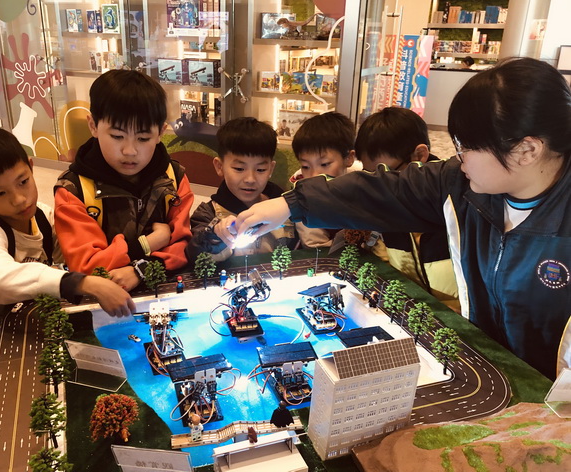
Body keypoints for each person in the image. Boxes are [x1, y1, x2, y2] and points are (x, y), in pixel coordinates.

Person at [235, 57, 571, 381]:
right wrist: (290, 204)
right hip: (492, 366)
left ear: (527, 150)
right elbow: (384, 189)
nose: (458, 157)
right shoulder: (459, 184)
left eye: (466, 146)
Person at [0, 126, 134, 317]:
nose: (19, 199)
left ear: (31, 167)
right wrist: (84, 283)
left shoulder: (44, 216)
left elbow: (76, 259)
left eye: (23, 182)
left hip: (28, 313)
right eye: (0, 193)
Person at [55, 70, 194, 291]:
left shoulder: (174, 177)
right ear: (93, 126)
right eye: (117, 136)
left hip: (164, 292)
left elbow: (184, 245)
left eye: (143, 138)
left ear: (161, 132)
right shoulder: (73, 190)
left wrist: (141, 270)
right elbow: (87, 266)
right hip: (103, 299)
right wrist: (148, 244)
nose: (130, 151)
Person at [355, 107, 459, 310]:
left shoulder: (457, 201)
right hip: (411, 312)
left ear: (419, 155)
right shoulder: (386, 206)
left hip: (463, 317)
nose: (380, 187)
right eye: (371, 177)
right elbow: (383, 256)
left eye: (386, 176)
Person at [186, 117, 296, 262]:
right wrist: (214, 234)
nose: (250, 179)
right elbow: (195, 254)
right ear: (219, 167)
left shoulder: (288, 207)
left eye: (261, 169)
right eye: (239, 168)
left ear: (271, 169)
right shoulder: (207, 213)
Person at [289, 111, 361, 248]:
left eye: (324, 164)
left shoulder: (364, 185)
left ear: (349, 158)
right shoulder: (300, 194)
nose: (314, 176)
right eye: (305, 166)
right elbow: (316, 247)